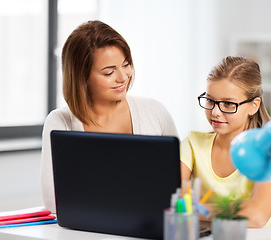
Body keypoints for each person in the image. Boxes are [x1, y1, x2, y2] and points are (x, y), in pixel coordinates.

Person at [41, 20, 177, 213]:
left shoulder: (155, 112)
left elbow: (176, 188)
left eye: (126, 64)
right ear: (82, 77)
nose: (123, 77)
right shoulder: (60, 122)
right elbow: (53, 202)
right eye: (109, 72)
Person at [180, 56, 271, 228]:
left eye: (228, 103)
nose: (215, 112)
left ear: (253, 106)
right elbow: (174, 203)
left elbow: (256, 216)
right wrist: (237, 209)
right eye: (210, 101)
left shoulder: (267, 153)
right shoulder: (192, 144)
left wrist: (197, 209)